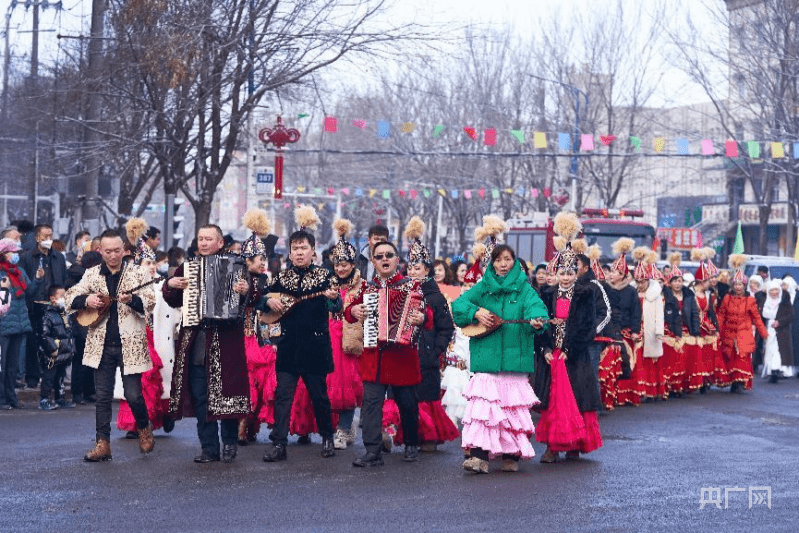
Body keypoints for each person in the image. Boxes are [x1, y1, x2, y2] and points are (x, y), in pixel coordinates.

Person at [162, 224, 251, 463]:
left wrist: (246, 290)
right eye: (200, 238)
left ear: (220, 242)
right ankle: (209, 448)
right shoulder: (188, 267)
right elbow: (172, 299)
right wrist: (169, 285)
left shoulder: (236, 265)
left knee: (228, 395)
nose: (202, 243)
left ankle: (230, 443)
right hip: (197, 341)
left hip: (226, 341)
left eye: (208, 239)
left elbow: (253, 297)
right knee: (201, 397)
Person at [259, 206, 341, 462]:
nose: (299, 252)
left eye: (303, 248)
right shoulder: (281, 277)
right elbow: (263, 301)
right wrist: (268, 303)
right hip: (287, 345)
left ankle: (327, 437)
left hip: (315, 344)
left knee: (319, 396)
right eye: (295, 248)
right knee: (283, 397)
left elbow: (336, 306)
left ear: (313, 251)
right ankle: (279, 444)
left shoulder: (326, 277)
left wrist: (332, 299)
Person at [66, 229, 156, 461]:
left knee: (133, 394)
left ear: (124, 250)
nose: (113, 255)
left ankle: (144, 429)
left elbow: (150, 300)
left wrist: (133, 300)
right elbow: (70, 297)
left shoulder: (138, 272)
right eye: (108, 251)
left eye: (117, 250)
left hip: (131, 343)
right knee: (103, 396)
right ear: (101, 251)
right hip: (101, 343)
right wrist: (87, 299)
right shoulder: (92, 273)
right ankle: (102, 444)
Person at [345, 240, 431, 467]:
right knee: (371, 404)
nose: (384, 259)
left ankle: (411, 443)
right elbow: (348, 310)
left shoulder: (412, 286)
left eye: (389, 255)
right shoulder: (366, 287)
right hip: (375, 356)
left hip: (402, 356)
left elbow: (429, 314)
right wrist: (353, 310)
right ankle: (373, 451)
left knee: (408, 404)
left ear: (396, 260)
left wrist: (422, 318)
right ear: (373, 261)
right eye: (379, 256)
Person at [534, 212, 603, 464]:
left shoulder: (586, 293)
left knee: (575, 399)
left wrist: (569, 350)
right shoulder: (546, 293)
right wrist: (545, 349)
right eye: (561, 272)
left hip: (574, 356)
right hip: (552, 355)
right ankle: (553, 446)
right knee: (553, 399)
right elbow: (539, 326)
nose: (565, 277)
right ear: (556, 272)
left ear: (577, 272)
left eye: (570, 272)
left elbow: (587, 328)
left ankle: (574, 444)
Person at [385, 217, 457, 453]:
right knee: (404, 398)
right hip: (403, 355)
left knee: (426, 397)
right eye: (411, 267)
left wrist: (435, 349)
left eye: (418, 268)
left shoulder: (436, 297)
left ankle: (427, 437)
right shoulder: (400, 291)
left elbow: (447, 328)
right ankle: (405, 436)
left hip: (426, 358)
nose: (413, 271)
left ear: (427, 270)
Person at [116, 219, 173, 437]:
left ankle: (162, 415)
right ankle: (138, 422)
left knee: (160, 382)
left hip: (160, 339)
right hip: (137, 340)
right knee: (139, 382)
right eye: (147, 264)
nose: (151, 267)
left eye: (153, 264)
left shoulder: (162, 287)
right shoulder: (127, 288)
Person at [326, 218, 365, 450]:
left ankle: (344, 428)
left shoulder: (362, 286)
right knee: (329, 385)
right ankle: (335, 427)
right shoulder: (327, 284)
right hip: (328, 336)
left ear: (353, 264)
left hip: (350, 338)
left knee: (347, 385)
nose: (341, 268)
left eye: (345, 264)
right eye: (337, 264)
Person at [237, 209, 275, 445]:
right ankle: (241, 426)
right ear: (248, 260)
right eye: (259, 260)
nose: (263, 263)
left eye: (264, 259)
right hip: (242, 338)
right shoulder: (237, 279)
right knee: (246, 382)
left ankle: (251, 426)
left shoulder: (266, 279)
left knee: (263, 382)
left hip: (262, 337)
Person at [20, 224, 67, 389]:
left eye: (50, 236)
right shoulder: (27, 257)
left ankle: (53, 380)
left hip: (54, 305)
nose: (49, 239)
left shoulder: (58, 257)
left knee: (54, 343)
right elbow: (24, 283)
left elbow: (63, 279)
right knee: (33, 342)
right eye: (45, 236)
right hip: (34, 306)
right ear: (37, 238)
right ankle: (32, 376)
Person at [717, 255, 769, 393]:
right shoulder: (727, 298)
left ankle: (740, 382)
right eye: (736, 284)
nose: (738, 287)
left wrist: (763, 332)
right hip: (729, 332)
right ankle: (733, 382)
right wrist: (717, 329)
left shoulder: (750, 300)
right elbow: (721, 315)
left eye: (741, 284)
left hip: (743, 333)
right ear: (733, 286)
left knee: (742, 358)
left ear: (744, 285)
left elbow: (757, 318)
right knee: (731, 358)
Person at [0, 238, 41, 409]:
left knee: (12, 366)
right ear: (4, 254)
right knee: (2, 366)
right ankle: (2, 399)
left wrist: (37, 279)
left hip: (19, 324)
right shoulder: (2, 275)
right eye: (13, 252)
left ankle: (11, 398)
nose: (16, 255)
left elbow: (30, 292)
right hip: (3, 325)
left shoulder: (19, 272)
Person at [660, 253, 700, 397]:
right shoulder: (664, 296)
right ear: (669, 282)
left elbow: (694, 315)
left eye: (680, 281)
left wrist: (696, 332)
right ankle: (670, 386)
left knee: (686, 359)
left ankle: (682, 386)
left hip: (686, 329)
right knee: (672, 359)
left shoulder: (689, 295)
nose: (677, 284)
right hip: (670, 330)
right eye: (675, 281)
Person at [38, 285, 75, 410]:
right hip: (52, 353)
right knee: (49, 376)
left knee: (60, 377)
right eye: (61, 295)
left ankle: (60, 398)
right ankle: (44, 399)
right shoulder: (47, 314)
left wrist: (70, 348)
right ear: (52, 298)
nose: (64, 298)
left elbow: (69, 332)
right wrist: (53, 349)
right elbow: (44, 335)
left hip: (64, 352)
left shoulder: (65, 313)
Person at [690, 250, 719, 394]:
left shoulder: (709, 294)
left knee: (707, 356)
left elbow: (712, 313)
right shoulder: (691, 293)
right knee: (697, 355)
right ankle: (696, 380)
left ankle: (706, 381)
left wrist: (716, 328)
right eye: (708, 280)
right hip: (695, 327)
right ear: (702, 281)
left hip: (707, 327)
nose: (710, 282)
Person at [759, 279, 794, 382]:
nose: (774, 292)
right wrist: (772, 319)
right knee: (770, 350)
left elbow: (790, 315)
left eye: (776, 290)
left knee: (778, 351)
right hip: (770, 329)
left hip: (782, 330)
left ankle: (776, 370)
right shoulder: (766, 301)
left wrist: (779, 322)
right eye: (772, 290)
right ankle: (771, 370)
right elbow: (764, 313)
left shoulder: (784, 302)